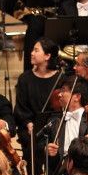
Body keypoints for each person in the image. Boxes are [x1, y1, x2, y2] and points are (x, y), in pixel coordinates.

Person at [39, 77, 88, 175]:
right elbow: (39, 147)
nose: (59, 94)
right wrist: (46, 149)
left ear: (77, 97)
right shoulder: (54, 121)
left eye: (63, 90)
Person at [13, 38, 62, 167]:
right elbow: (20, 107)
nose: (31, 53)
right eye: (32, 50)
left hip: (54, 126)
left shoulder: (60, 78)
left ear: (47, 55)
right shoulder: (25, 78)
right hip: (30, 127)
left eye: (36, 50)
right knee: (31, 144)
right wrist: (28, 123)